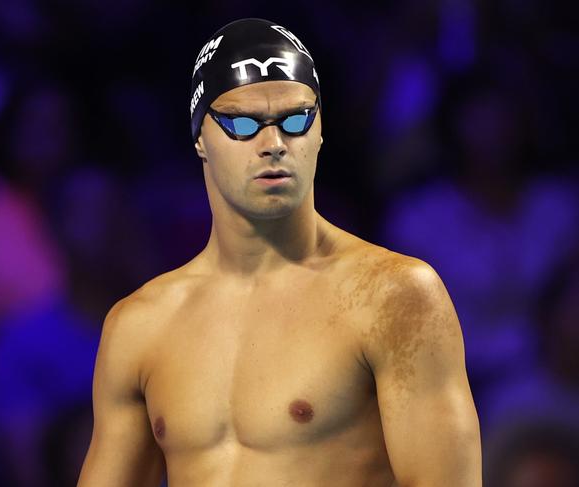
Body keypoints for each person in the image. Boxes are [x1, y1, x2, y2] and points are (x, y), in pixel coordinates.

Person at [77, 18, 481, 486]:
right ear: (200, 140)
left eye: (295, 120)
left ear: (320, 130)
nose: (274, 145)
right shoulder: (140, 325)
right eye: (243, 124)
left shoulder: (391, 297)